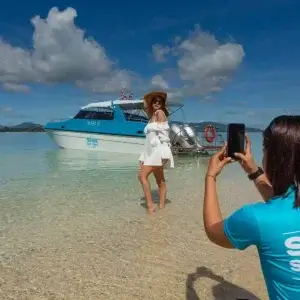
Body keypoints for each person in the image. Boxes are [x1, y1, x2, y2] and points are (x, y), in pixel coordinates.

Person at [203, 115, 300, 299]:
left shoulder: (257, 218)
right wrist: (252, 170)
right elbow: (282, 201)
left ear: (274, 158)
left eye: (265, 148)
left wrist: (210, 177)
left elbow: (213, 231)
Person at [138, 91, 174, 213]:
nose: (157, 103)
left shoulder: (160, 114)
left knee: (142, 176)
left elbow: (165, 136)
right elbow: (148, 141)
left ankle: (150, 205)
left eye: (159, 101)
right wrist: (143, 157)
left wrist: (165, 154)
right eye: (154, 101)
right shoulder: (151, 118)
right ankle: (162, 208)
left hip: (158, 153)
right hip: (150, 153)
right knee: (160, 181)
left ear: (163, 104)